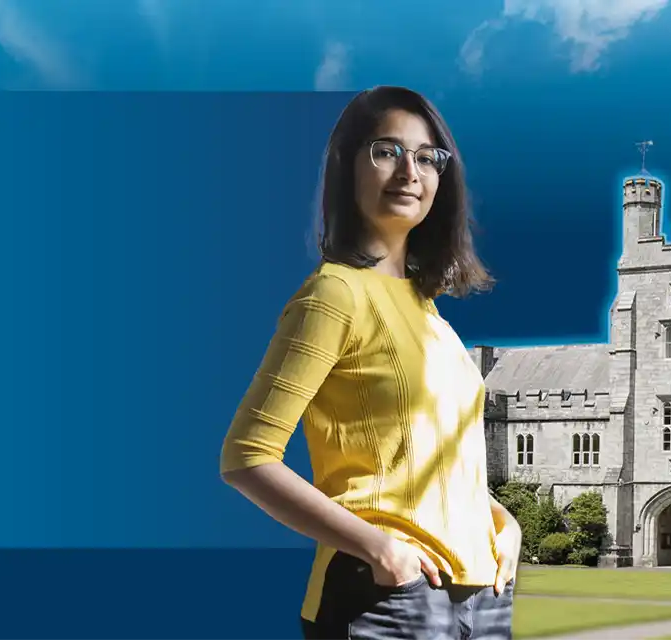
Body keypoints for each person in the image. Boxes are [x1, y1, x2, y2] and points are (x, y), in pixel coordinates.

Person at [220, 85, 521, 639]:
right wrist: (379, 548)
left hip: (484, 595)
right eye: (387, 150)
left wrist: (504, 522)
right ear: (347, 166)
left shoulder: (433, 317)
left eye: (427, 157)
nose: (410, 170)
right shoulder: (334, 294)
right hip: (387, 595)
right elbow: (246, 457)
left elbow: (429, 463)